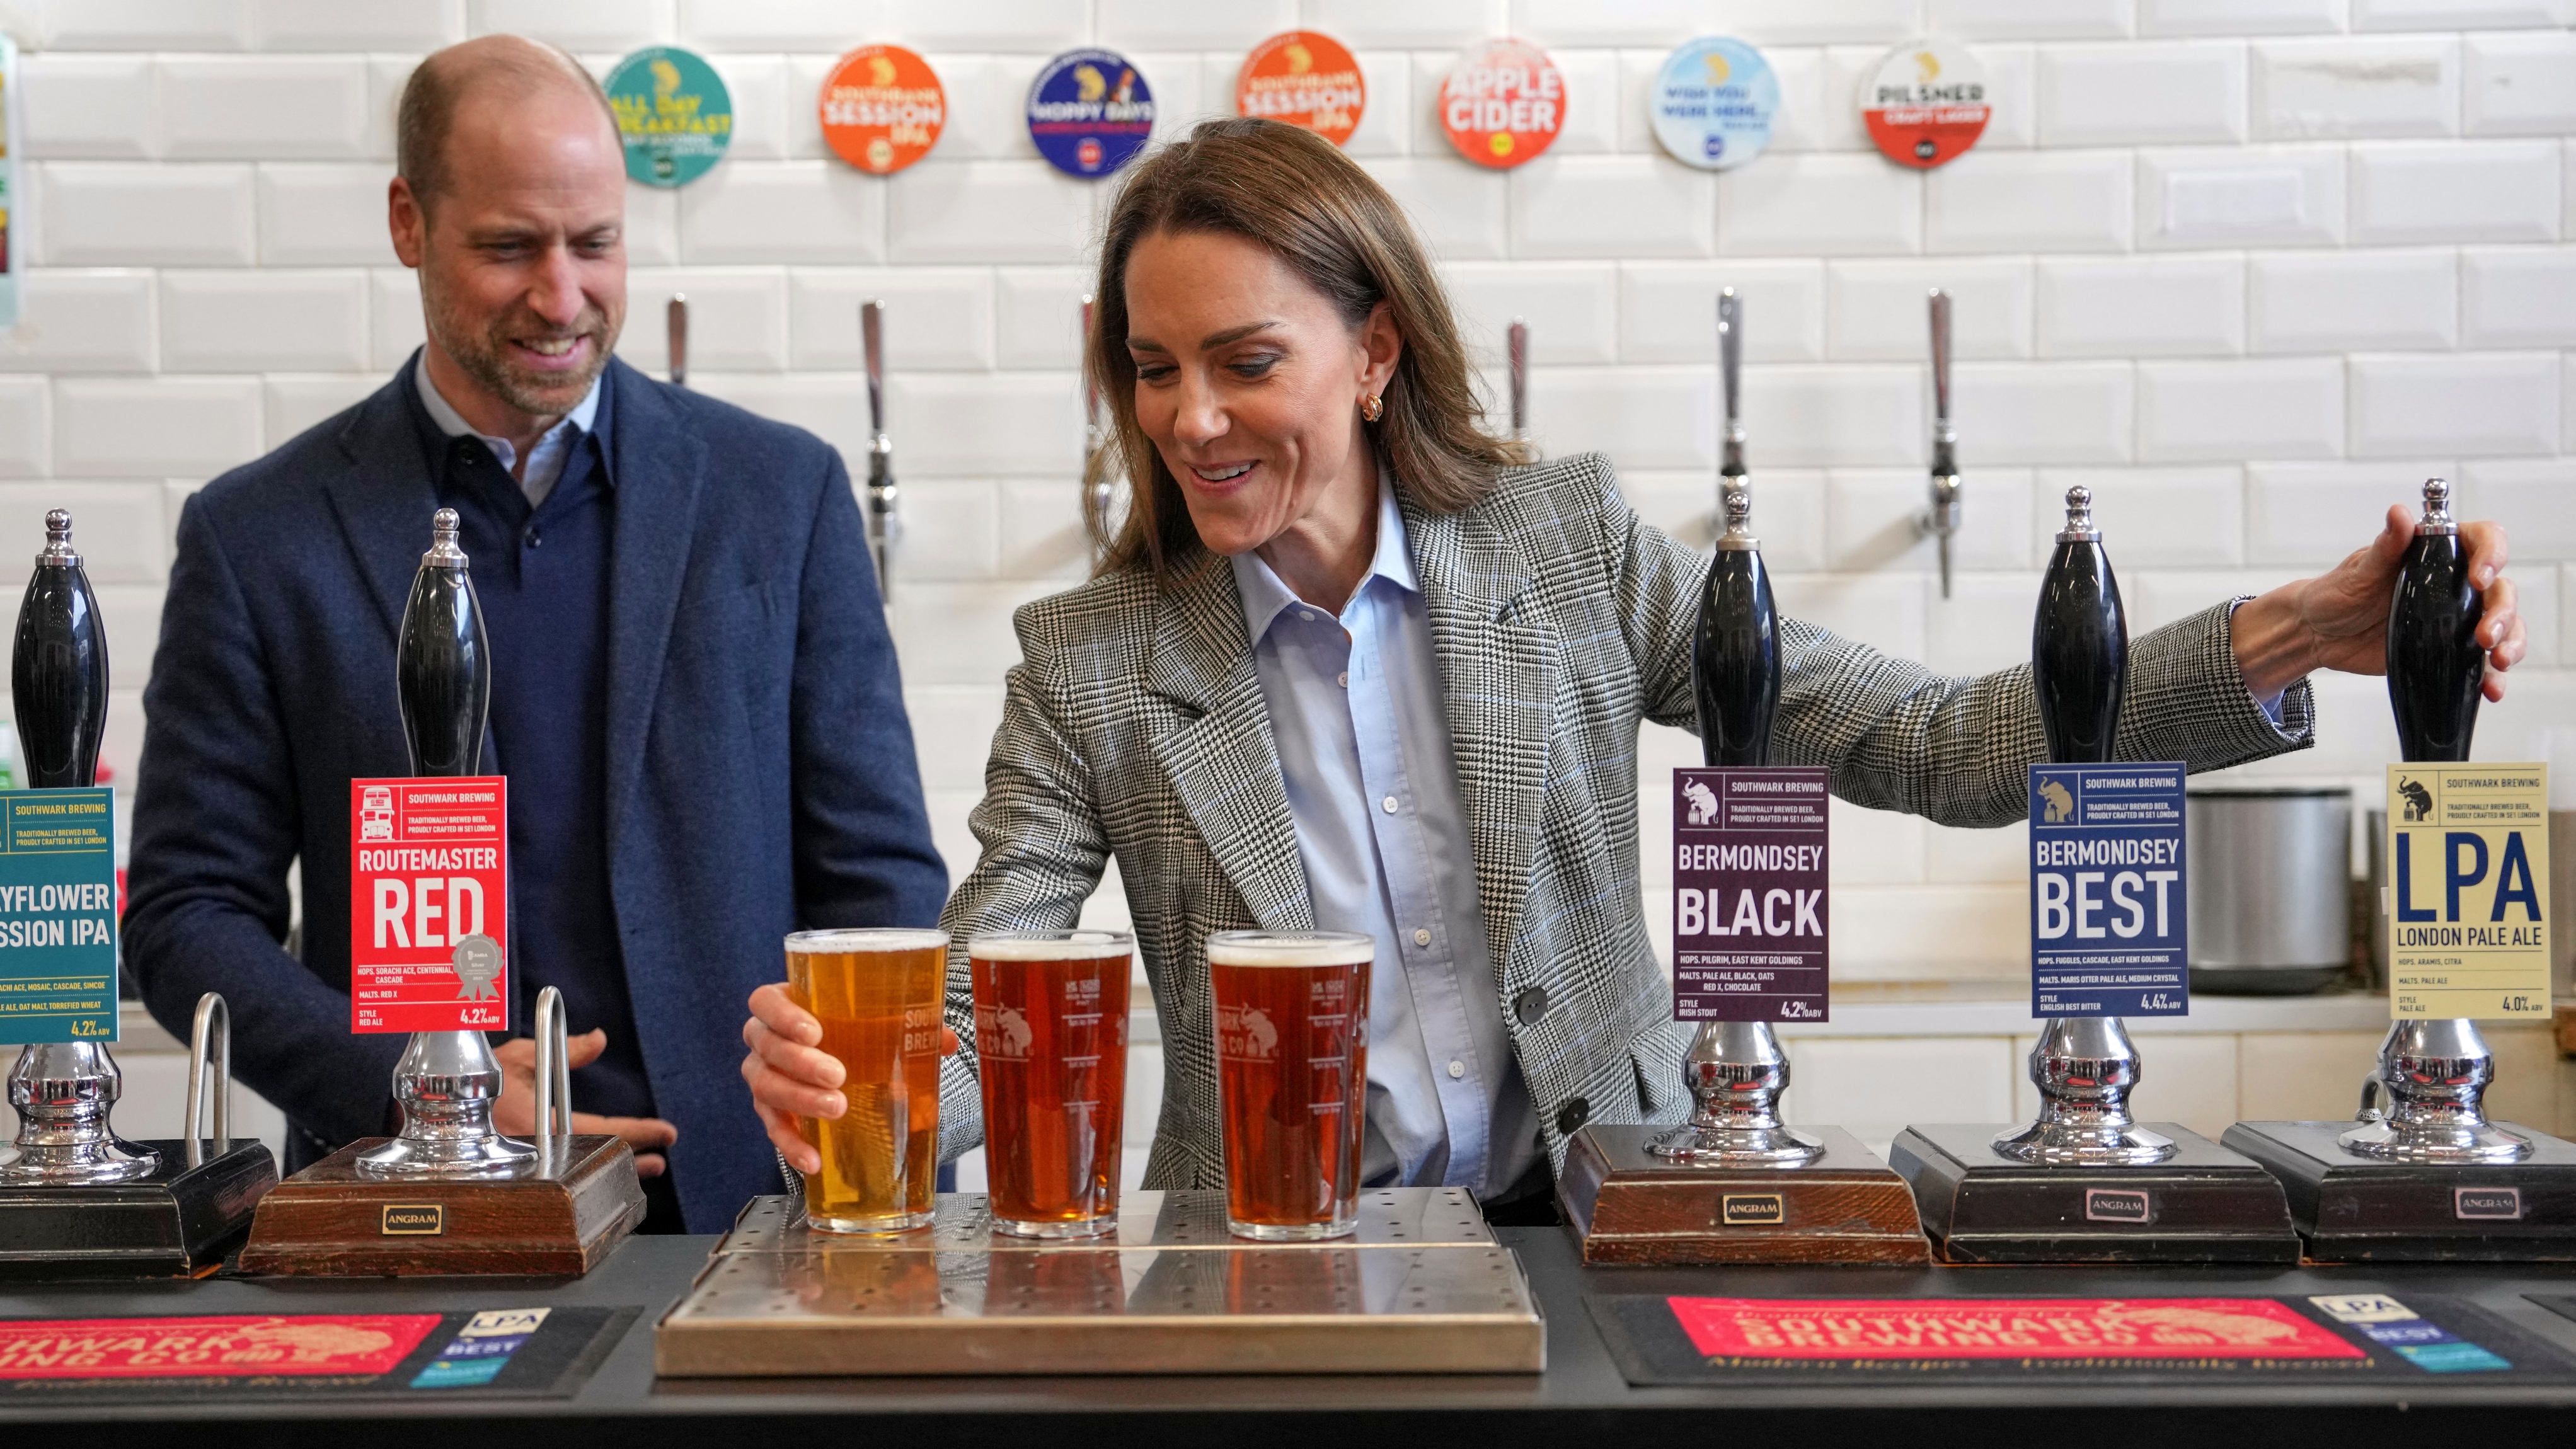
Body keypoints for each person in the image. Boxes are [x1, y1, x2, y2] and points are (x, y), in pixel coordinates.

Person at [739, 117, 2528, 1222]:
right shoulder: (1096, 658)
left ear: (1372, 357)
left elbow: (1937, 741)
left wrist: (2295, 633)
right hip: (1283, 1259)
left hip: (1623, 1215)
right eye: (1149, 367)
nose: (1188, 417)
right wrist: (867, 1086)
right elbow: (991, 975)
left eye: (1241, 360)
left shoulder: (1565, 550)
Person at [123, 36, 947, 1234]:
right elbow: (187, 912)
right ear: (409, 222)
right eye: (510, 246)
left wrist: (851, 1105)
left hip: (762, 1211)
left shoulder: (781, 494)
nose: (562, 296)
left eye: (596, 243)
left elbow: (878, 878)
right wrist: (410, 1085)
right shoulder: (262, 536)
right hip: (420, 1212)